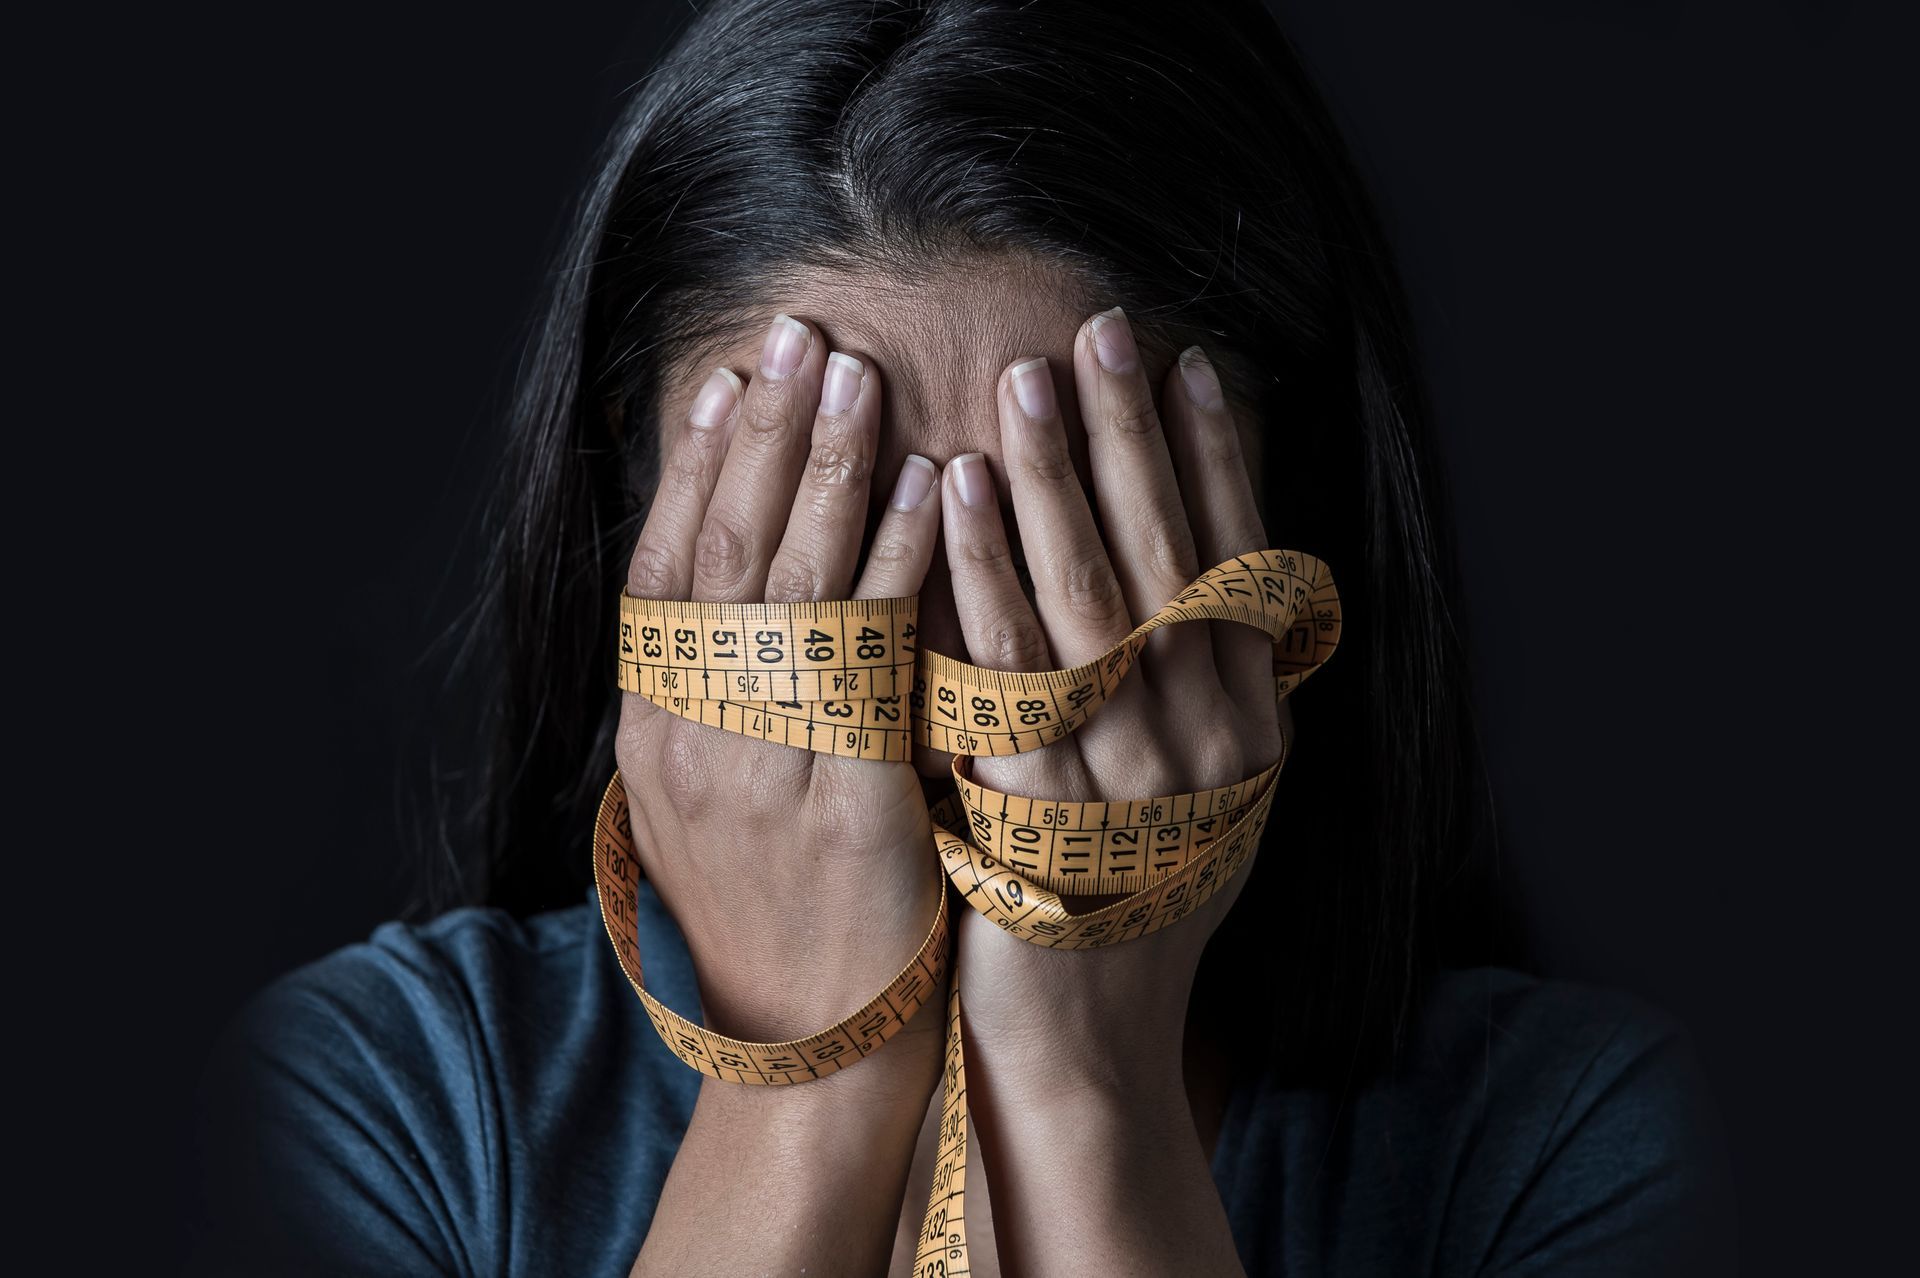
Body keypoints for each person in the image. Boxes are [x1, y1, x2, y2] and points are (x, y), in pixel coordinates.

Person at [186, 1, 1735, 1273]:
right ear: (641, 530)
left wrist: (1082, 1089)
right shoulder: (376, 1108)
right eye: (828, 536)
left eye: (1066, 540)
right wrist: (810, 1075)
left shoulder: (1576, 1149)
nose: (948, 668)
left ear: (1282, 534)